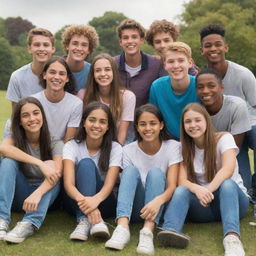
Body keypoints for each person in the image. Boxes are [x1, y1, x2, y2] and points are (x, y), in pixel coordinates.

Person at [157, 103, 249, 256]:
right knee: (181, 190)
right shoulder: (184, 147)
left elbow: (228, 169)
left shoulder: (224, 138)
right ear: (183, 125)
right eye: (188, 121)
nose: (193, 125)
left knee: (227, 184)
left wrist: (208, 189)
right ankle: (170, 230)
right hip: (204, 205)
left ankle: (232, 238)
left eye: (197, 120)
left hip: (233, 202)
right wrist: (198, 190)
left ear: (206, 121)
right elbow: (183, 181)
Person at [105, 104, 182, 255]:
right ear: (137, 128)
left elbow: (172, 186)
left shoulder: (173, 147)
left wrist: (158, 201)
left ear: (161, 125)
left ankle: (147, 231)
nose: (148, 128)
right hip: (135, 208)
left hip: (160, 205)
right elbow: (126, 184)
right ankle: (122, 228)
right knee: (130, 170)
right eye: (143, 124)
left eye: (153, 123)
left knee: (156, 173)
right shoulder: (127, 150)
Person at [200, 23, 256, 196]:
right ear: (202, 50)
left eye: (218, 44)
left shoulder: (243, 74)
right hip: (227, 135)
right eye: (208, 45)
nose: (213, 48)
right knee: (242, 187)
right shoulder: (201, 79)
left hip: (250, 125)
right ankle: (249, 188)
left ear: (226, 47)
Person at [0, 97, 63, 244]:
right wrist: (39, 163)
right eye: (25, 115)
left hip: (44, 198)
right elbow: (3, 148)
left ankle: (29, 223)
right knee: (8, 162)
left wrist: (38, 193)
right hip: (19, 196)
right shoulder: (16, 139)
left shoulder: (55, 142)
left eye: (36, 113)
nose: (32, 118)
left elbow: (58, 171)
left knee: (53, 168)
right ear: (20, 121)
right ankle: (2, 219)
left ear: (42, 116)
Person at [63, 102, 122, 242]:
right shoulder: (71, 145)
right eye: (92, 120)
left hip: (104, 201)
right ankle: (84, 221)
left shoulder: (116, 148)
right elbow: (69, 184)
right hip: (76, 200)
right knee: (86, 164)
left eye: (102, 122)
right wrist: (89, 206)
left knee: (87, 164)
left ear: (108, 127)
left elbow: (109, 184)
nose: (96, 125)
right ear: (83, 123)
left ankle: (89, 219)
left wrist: (95, 201)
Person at [196, 68, 251, 188]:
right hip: (206, 154)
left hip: (232, 151)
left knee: (241, 186)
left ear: (221, 87)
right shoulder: (196, 110)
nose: (205, 91)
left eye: (211, 86)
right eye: (200, 87)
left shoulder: (236, 105)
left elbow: (236, 145)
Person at [4, 27, 55, 138]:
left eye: (46, 45)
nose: (41, 48)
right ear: (29, 48)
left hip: (53, 132)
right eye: (37, 45)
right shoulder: (17, 77)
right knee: (9, 125)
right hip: (27, 133)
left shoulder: (59, 76)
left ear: (53, 49)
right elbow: (16, 116)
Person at [149, 42, 199, 139]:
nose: (176, 66)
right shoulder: (157, 87)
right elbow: (154, 118)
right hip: (167, 141)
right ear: (165, 65)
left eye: (181, 60)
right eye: (171, 62)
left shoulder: (199, 85)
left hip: (197, 138)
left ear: (190, 63)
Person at [83, 53, 136, 145]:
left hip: (121, 144)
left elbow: (122, 133)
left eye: (107, 70)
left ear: (114, 72)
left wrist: (114, 154)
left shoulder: (127, 97)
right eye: (98, 70)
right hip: (94, 143)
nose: (103, 74)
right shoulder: (84, 96)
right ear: (93, 74)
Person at [114, 19, 167, 108]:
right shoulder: (111, 65)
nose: (130, 41)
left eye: (134, 37)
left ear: (141, 40)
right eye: (125, 38)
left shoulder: (157, 65)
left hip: (145, 119)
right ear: (120, 42)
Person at [33, 56, 83, 142]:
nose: (56, 77)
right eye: (52, 72)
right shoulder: (33, 101)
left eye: (62, 74)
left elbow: (68, 141)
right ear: (44, 75)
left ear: (67, 78)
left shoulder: (76, 103)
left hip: (62, 150)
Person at [62, 24, 99, 99]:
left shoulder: (93, 72)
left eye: (84, 45)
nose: (79, 48)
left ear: (89, 50)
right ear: (67, 45)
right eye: (75, 43)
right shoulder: (55, 68)